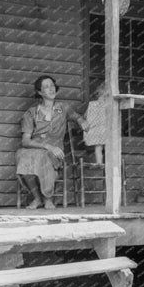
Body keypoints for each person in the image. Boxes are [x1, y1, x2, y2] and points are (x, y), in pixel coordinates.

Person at [16, 75, 89, 209]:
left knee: (44, 157)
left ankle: (48, 198)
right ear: (40, 92)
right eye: (46, 86)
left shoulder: (63, 108)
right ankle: (38, 198)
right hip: (36, 148)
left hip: (56, 151)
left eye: (52, 85)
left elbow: (77, 117)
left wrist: (82, 121)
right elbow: (25, 141)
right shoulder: (31, 113)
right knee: (23, 155)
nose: (51, 89)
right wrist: (46, 146)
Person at [83, 81, 108, 164]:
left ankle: (99, 163)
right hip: (104, 131)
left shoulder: (92, 104)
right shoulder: (108, 105)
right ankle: (107, 165)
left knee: (98, 147)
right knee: (107, 146)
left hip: (93, 132)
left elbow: (85, 116)